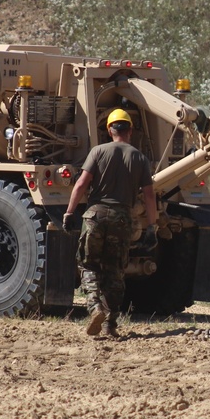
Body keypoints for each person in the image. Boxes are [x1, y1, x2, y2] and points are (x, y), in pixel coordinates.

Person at [63, 108, 158, 338]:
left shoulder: (97, 152)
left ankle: (94, 307)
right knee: (115, 272)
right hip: (122, 219)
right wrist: (152, 226)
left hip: (95, 216)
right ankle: (110, 325)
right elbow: (149, 196)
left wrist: (69, 212)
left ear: (109, 129)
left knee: (88, 265)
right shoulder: (139, 158)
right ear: (131, 130)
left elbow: (81, 185)